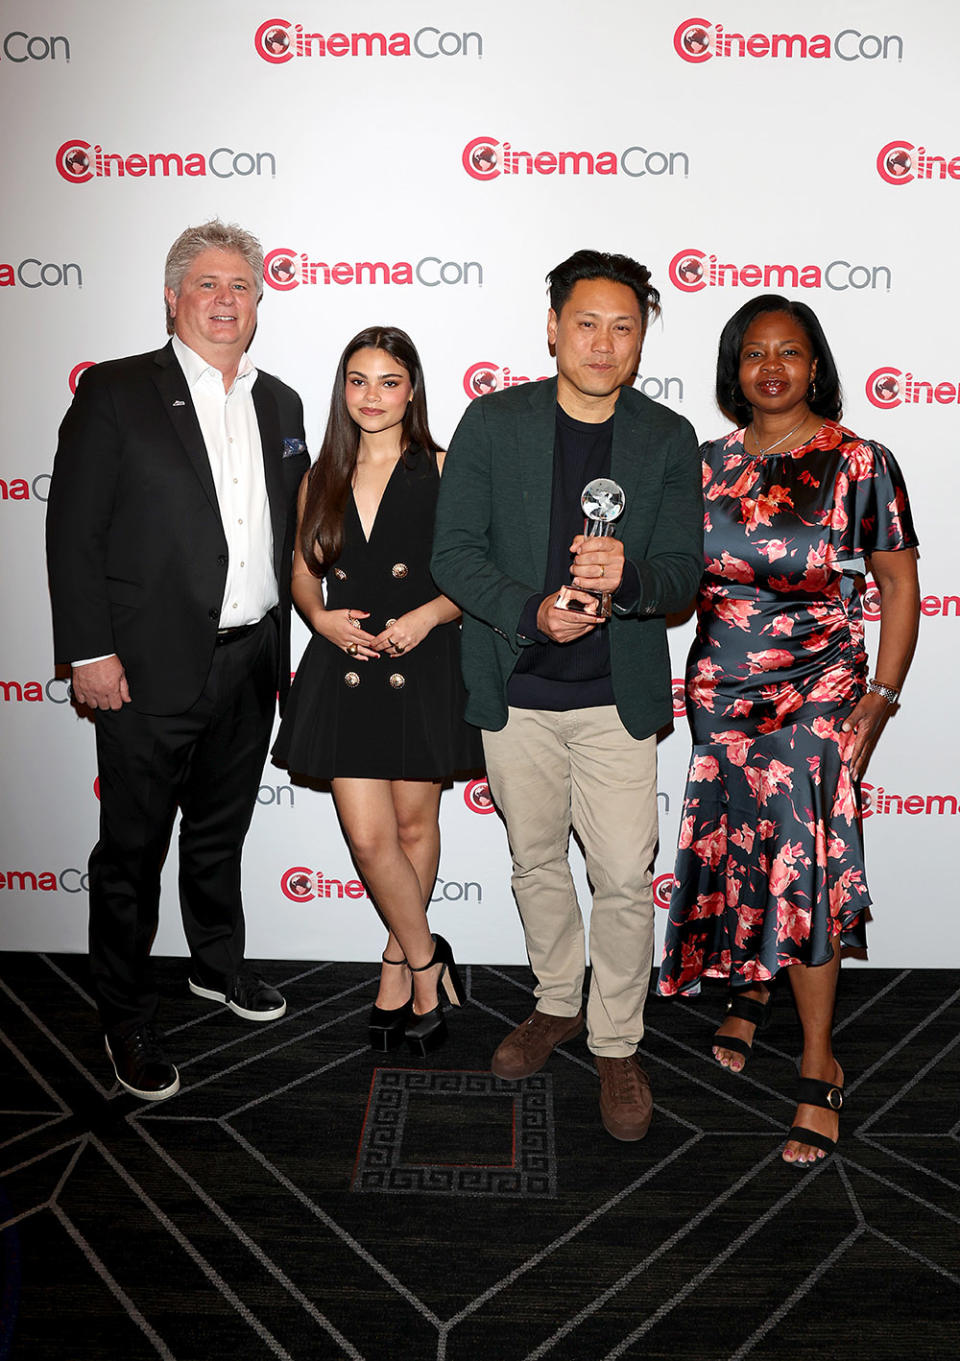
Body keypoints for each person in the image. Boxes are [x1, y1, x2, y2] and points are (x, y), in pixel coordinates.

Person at [431, 250, 703, 1141]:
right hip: (516, 688)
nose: (603, 341)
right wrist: (531, 612)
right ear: (552, 326)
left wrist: (627, 580)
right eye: (586, 322)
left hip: (615, 697)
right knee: (535, 859)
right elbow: (454, 553)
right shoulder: (493, 422)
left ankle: (617, 1039)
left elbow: (683, 576)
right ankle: (557, 1001)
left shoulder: (665, 438)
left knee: (625, 874)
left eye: (623, 326)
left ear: (641, 340)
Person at [46, 220, 309, 1102]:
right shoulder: (117, 392)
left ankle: (214, 963)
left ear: (259, 302)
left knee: (219, 830)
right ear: (173, 297)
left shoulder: (283, 404)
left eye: (241, 285)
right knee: (130, 852)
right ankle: (122, 1015)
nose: (225, 299)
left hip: (251, 658)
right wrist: (89, 652)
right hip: (144, 668)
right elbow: (73, 531)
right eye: (207, 284)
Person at [658, 295, 920, 1165]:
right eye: (754, 353)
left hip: (818, 688)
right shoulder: (702, 462)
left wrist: (880, 695)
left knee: (803, 860)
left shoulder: (858, 461)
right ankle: (751, 990)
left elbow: (898, 582)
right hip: (720, 686)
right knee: (741, 849)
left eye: (791, 353)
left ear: (816, 365)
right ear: (734, 368)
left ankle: (819, 1055)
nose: (772, 367)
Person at [272, 327, 479, 1055]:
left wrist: (427, 614)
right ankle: (428, 961)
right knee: (369, 836)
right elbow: (301, 571)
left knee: (415, 830)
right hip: (346, 667)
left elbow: (481, 573)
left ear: (413, 389)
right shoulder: (319, 474)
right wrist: (321, 620)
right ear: (343, 390)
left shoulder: (448, 467)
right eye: (358, 381)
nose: (372, 396)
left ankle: (395, 959)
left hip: (423, 663)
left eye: (389, 381)